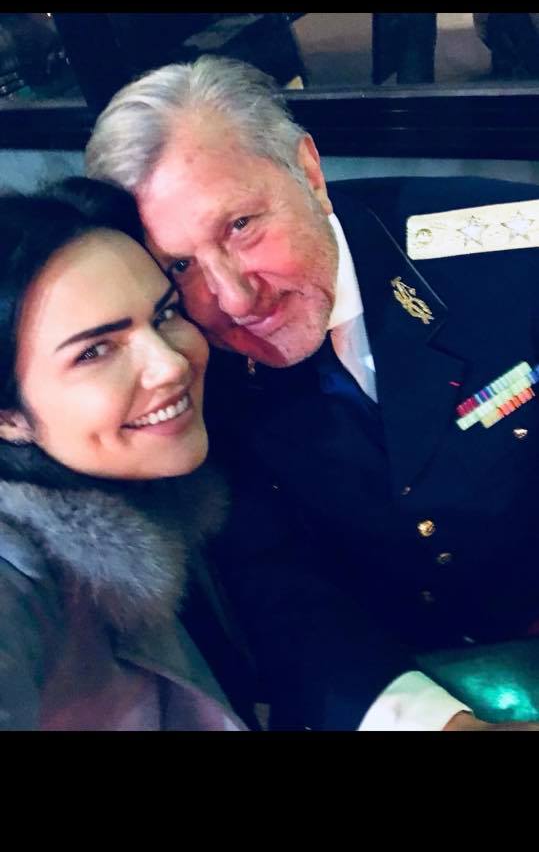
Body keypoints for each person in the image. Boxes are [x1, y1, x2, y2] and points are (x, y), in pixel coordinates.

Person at [86, 56, 539, 731]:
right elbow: (270, 579)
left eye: (240, 225)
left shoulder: (514, 242)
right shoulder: (179, 361)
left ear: (310, 172)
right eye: (179, 265)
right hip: (383, 681)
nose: (234, 300)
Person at [0, 176, 263, 731]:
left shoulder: (166, 483)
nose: (171, 364)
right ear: (8, 417)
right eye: (95, 350)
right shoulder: (15, 569)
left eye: (164, 314)